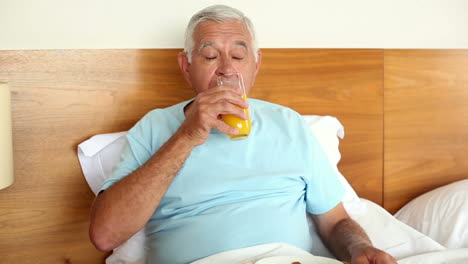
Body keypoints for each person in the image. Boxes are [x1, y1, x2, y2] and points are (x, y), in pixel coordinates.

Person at [89, 5, 397, 264]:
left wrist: (359, 247)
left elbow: (336, 222)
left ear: (256, 65)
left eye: (238, 56)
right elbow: (105, 235)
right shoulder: (155, 127)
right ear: (186, 66)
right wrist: (188, 135)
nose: (226, 69)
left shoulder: (289, 123)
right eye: (210, 56)